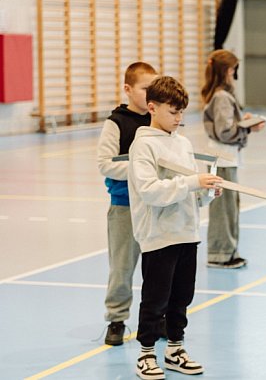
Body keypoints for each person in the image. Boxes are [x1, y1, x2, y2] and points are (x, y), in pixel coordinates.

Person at [129, 76, 222, 380]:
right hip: (158, 236)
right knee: (156, 298)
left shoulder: (182, 143)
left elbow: (190, 194)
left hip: (187, 233)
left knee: (181, 297)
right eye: (173, 112)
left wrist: (205, 192)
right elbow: (150, 190)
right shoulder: (142, 146)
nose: (178, 119)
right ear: (152, 107)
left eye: (182, 112)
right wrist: (193, 182)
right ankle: (145, 354)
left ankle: (175, 349)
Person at [96, 62, 158, 346]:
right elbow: (106, 165)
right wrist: (139, 172)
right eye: (146, 88)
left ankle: (156, 320)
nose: (150, 94)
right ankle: (117, 319)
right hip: (124, 207)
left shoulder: (160, 120)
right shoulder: (116, 123)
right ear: (128, 89)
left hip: (156, 206)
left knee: (158, 268)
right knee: (122, 267)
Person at [201, 49, 265, 269]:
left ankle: (227, 251)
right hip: (223, 158)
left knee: (230, 207)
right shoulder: (221, 96)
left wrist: (243, 121)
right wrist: (247, 128)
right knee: (223, 209)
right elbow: (225, 131)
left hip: (227, 158)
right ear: (228, 70)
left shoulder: (222, 95)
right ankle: (220, 253)